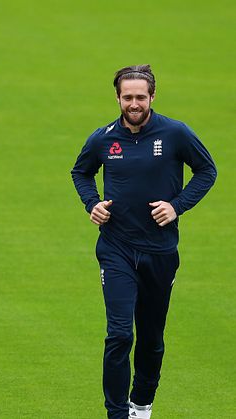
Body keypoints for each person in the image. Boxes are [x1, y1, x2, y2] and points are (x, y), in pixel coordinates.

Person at [71, 64, 216, 419]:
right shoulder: (103, 138)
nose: (133, 103)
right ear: (118, 98)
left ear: (152, 97)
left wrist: (176, 206)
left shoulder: (176, 133)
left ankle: (141, 405)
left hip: (160, 252)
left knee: (151, 341)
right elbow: (81, 171)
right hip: (116, 249)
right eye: (127, 97)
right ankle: (117, 413)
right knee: (119, 334)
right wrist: (93, 203)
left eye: (140, 97)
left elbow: (207, 170)